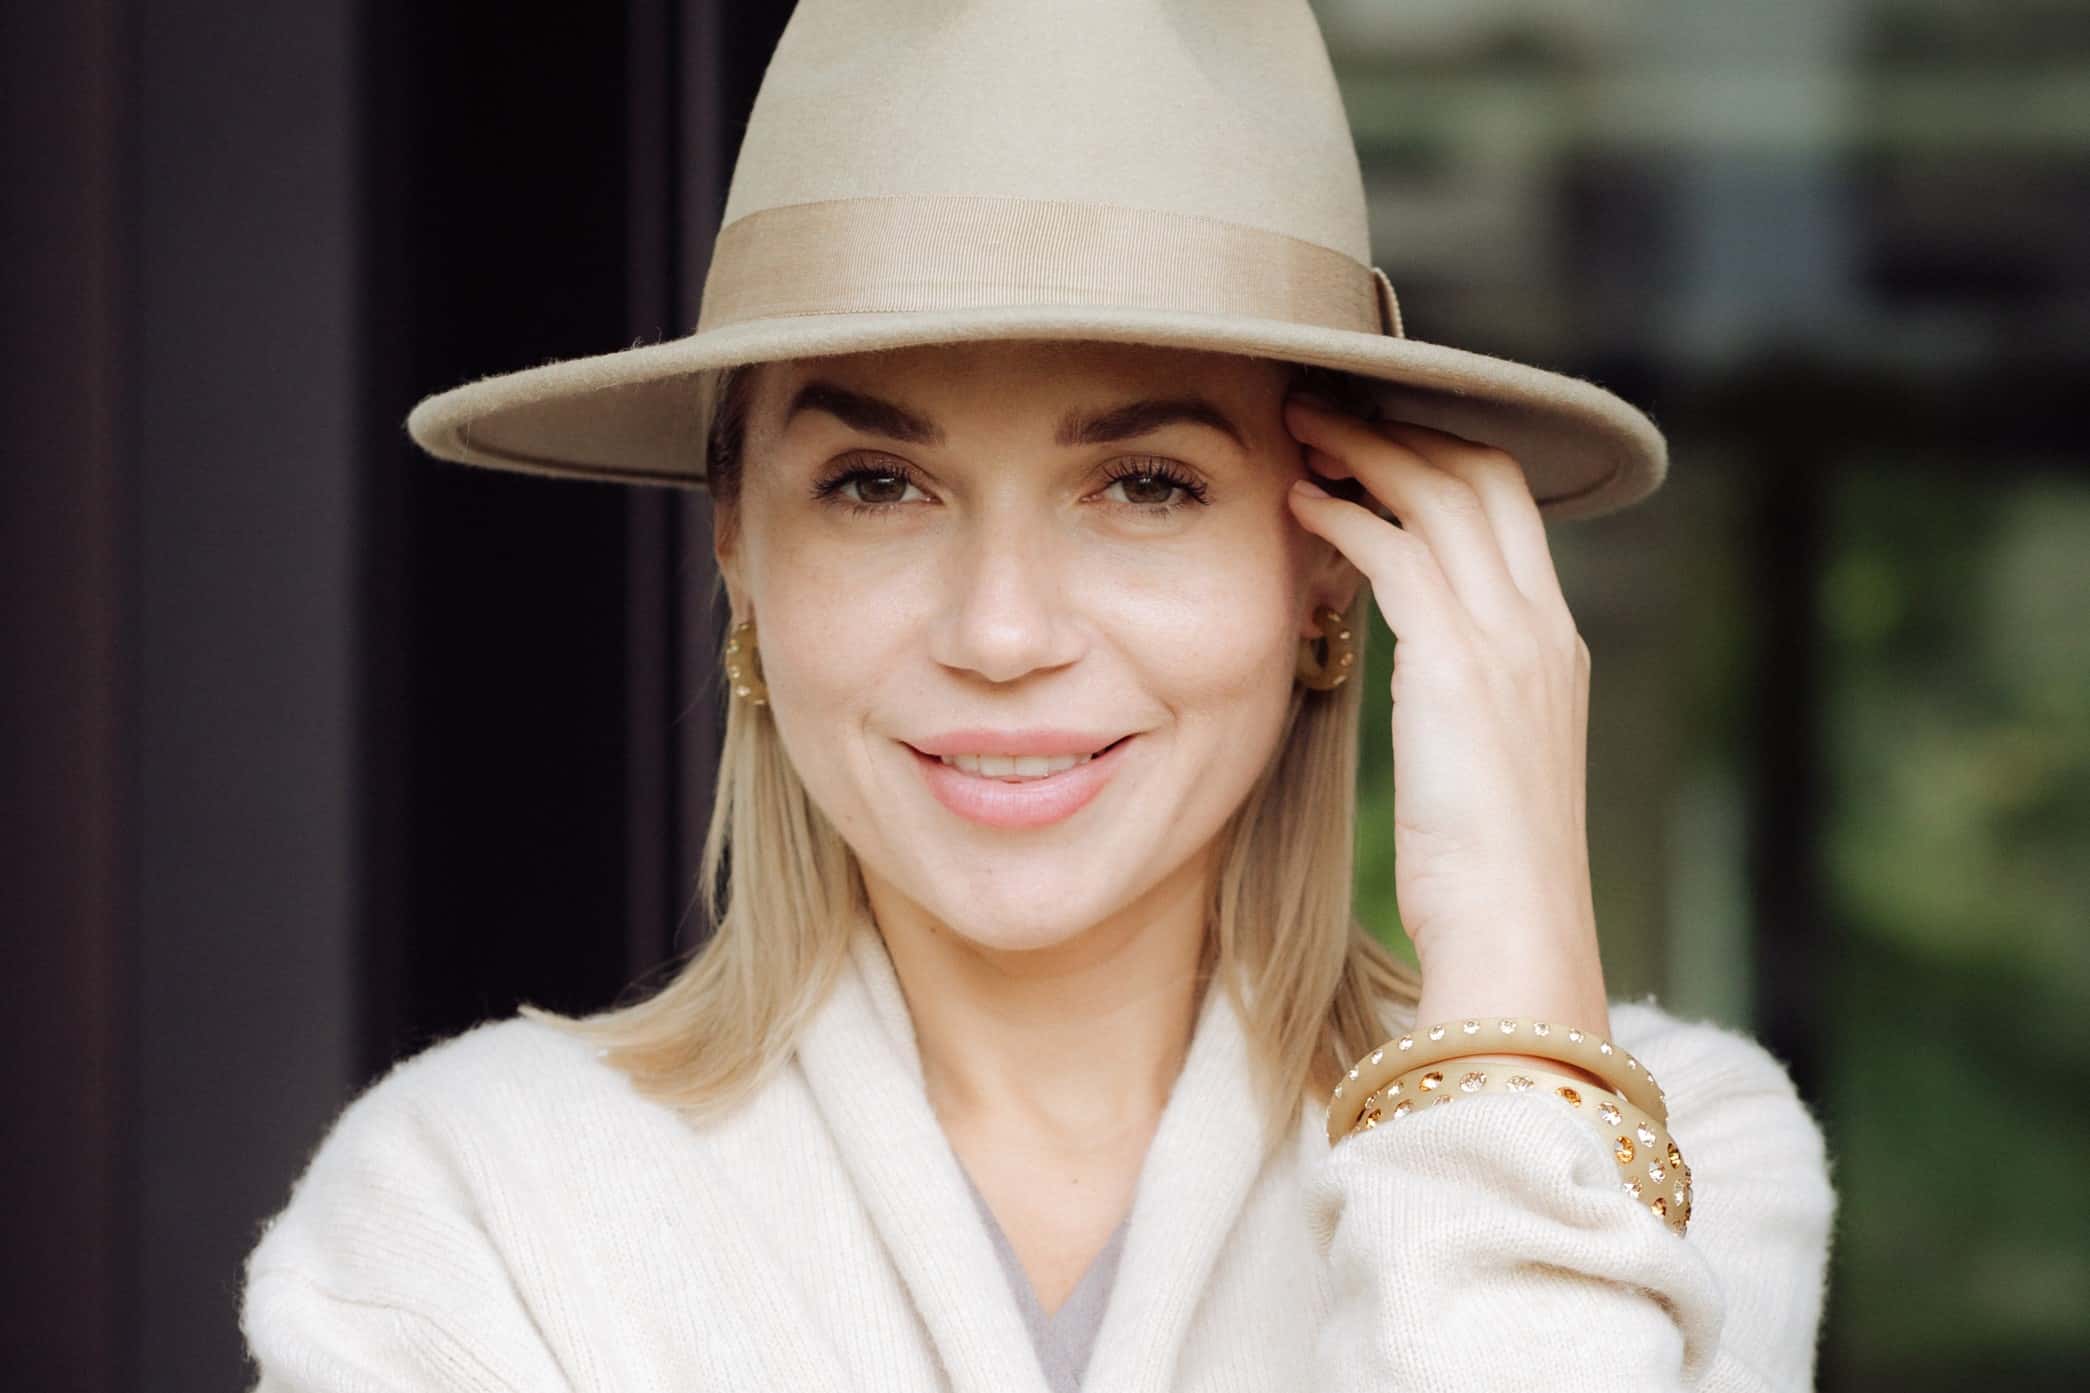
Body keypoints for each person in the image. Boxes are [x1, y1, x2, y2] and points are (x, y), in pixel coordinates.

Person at [241, 3, 1837, 1390]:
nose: (1001, 631)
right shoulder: (474, 1201)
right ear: (741, 551)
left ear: (1328, 554)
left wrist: (1512, 1010)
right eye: (876, 484)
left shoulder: (1672, 1148)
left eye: (1144, 484)